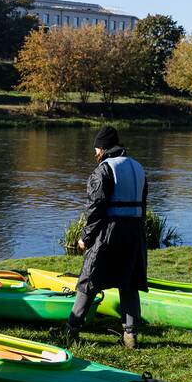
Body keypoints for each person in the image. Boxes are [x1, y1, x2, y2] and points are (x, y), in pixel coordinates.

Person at [62, 125, 148, 349]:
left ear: (104, 149)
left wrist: (85, 238)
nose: (95, 154)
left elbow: (95, 208)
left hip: (108, 233)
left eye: (96, 149)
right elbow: (144, 204)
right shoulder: (138, 167)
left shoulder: (103, 170)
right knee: (128, 283)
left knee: (88, 280)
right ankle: (130, 335)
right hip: (134, 232)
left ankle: (71, 330)